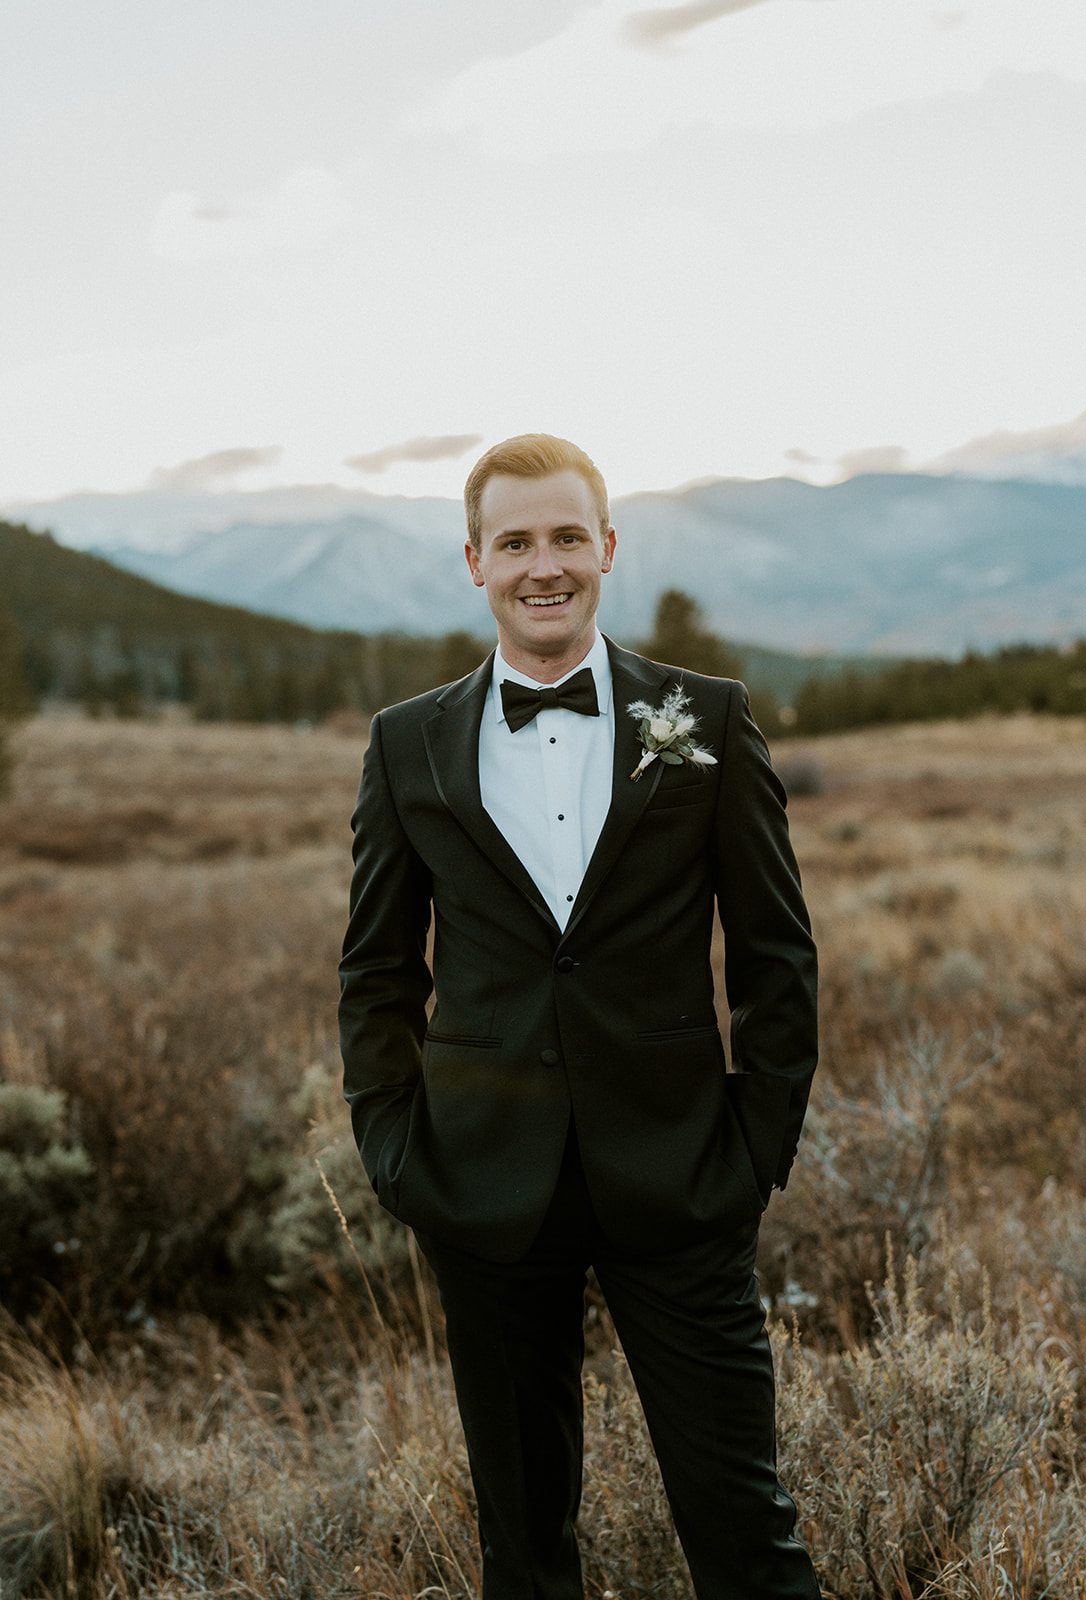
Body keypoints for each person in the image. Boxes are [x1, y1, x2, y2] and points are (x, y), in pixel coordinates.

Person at [338, 433, 821, 1599]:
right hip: (484, 1189)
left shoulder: (706, 715)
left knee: (743, 1531)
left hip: (680, 1177)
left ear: (605, 548)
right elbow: (376, 970)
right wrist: (399, 1156)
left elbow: (773, 952)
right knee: (525, 1549)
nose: (540, 565)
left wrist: (752, 1148)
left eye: (564, 537)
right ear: (474, 563)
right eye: (514, 542)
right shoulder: (409, 744)